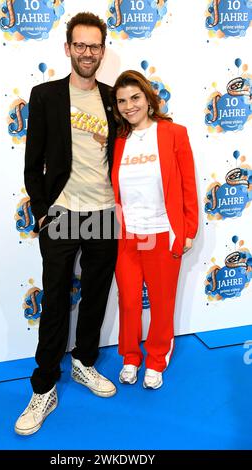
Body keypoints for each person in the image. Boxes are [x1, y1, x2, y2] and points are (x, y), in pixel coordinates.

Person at [15, 12, 118, 436]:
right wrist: (42, 210)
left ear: (102, 50)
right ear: (68, 48)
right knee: (55, 298)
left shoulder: (116, 98)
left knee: (95, 295)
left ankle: (84, 363)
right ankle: (43, 387)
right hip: (60, 214)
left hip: (104, 213)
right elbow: (32, 162)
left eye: (95, 45)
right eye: (81, 45)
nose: (88, 52)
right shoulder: (45, 96)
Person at [111, 70, 198, 389]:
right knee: (129, 302)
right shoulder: (119, 140)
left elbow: (188, 183)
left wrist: (188, 229)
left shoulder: (173, 133)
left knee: (162, 303)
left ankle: (157, 359)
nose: (128, 106)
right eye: (121, 101)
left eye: (135, 97)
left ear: (148, 98)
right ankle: (131, 357)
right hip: (127, 236)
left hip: (162, 233)